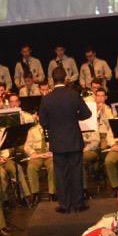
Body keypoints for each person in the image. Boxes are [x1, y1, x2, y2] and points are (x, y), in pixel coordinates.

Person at [39, 67, 93, 212]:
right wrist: (74, 117)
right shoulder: (73, 95)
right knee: (76, 172)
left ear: (52, 80)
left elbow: (43, 122)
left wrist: (53, 125)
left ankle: (64, 205)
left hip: (57, 142)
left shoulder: (47, 98)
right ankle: (78, 204)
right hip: (74, 139)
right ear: (65, 78)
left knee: (61, 174)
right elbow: (87, 114)